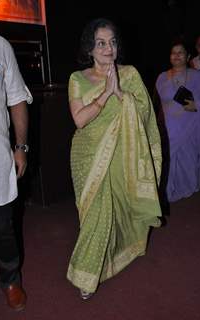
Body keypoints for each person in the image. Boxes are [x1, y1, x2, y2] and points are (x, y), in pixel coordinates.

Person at [66, 18, 162, 300]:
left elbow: (145, 115)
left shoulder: (129, 74)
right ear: (90, 49)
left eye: (112, 42)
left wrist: (120, 92)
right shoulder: (78, 78)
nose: (108, 48)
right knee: (95, 215)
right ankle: (86, 274)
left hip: (122, 154)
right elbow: (80, 120)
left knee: (117, 208)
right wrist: (107, 94)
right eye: (100, 43)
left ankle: (107, 261)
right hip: (87, 155)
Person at [0, 32, 32, 311]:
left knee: (2, 226)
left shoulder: (0, 45)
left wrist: (21, 146)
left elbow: (16, 98)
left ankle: (9, 280)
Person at [154, 38, 200, 204]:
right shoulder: (162, 77)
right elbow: (160, 100)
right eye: (173, 53)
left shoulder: (197, 76)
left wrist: (194, 103)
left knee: (188, 159)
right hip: (170, 127)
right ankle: (168, 191)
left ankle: (189, 188)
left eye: (181, 52)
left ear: (188, 56)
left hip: (190, 126)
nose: (176, 56)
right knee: (168, 159)